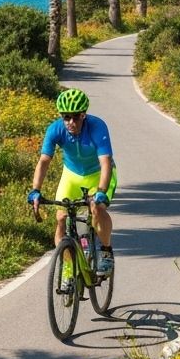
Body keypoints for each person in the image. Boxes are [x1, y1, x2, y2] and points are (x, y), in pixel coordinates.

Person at [28, 88, 117, 281]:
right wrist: (36, 190)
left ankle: (106, 251)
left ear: (84, 115)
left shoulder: (97, 127)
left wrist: (101, 191)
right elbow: (44, 161)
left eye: (76, 117)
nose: (71, 122)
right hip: (72, 175)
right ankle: (68, 267)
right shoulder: (55, 129)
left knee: (97, 207)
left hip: (98, 174)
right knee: (61, 218)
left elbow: (105, 162)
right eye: (66, 117)